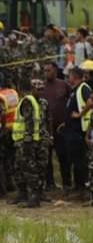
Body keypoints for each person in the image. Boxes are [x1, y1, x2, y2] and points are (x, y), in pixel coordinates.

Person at [11, 79, 49, 208]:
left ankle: (34, 197)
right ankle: (24, 194)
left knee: (30, 169)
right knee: (19, 168)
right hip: (26, 140)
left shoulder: (28, 101)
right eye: (38, 89)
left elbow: (29, 122)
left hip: (26, 141)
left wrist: (28, 140)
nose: (40, 92)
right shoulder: (30, 100)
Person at [63, 66, 93, 198]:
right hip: (72, 130)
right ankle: (78, 187)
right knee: (75, 161)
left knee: (81, 161)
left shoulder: (83, 87)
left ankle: (84, 189)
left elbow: (91, 102)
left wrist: (80, 114)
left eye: (69, 75)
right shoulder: (74, 90)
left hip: (81, 131)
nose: (68, 78)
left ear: (74, 76)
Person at [40, 62, 70, 192]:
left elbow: (71, 103)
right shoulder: (41, 87)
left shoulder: (64, 85)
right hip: (46, 128)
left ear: (56, 71)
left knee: (63, 157)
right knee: (46, 158)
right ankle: (50, 183)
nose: (46, 73)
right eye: (44, 71)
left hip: (61, 129)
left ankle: (67, 184)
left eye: (49, 70)